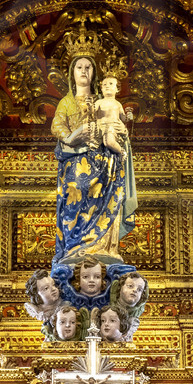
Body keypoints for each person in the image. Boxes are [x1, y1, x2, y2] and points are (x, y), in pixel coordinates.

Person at [49, 52, 137, 266]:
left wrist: (122, 131)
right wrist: (74, 135)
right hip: (76, 165)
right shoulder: (66, 103)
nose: (84, 71)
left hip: (105, 163)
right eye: (79, 67)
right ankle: (75, 248)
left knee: (106, 200)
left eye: (88, 67)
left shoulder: (105, 101)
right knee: (75, 201)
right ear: (72, 73)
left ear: (94, 73)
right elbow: (57, 129)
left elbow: (120, 129)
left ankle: (104, 247)